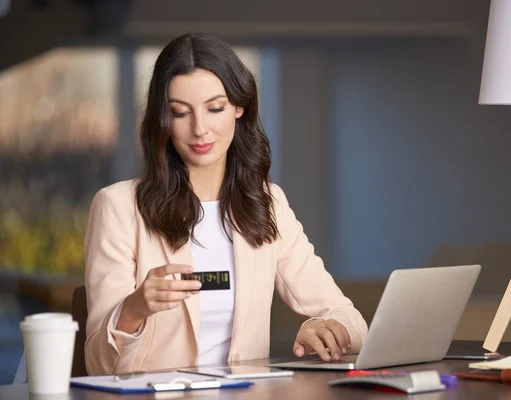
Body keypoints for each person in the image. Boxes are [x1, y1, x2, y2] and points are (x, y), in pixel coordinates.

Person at [84, 33, 367, 376]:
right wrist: (133, 310)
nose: (200, 129)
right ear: (163, 118)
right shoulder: (117, 207)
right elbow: (98, 364)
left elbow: (350, 319)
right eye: (179, 112)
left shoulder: (267, 202)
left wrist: (329, 327)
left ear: (239, 106)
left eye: (214, 108)